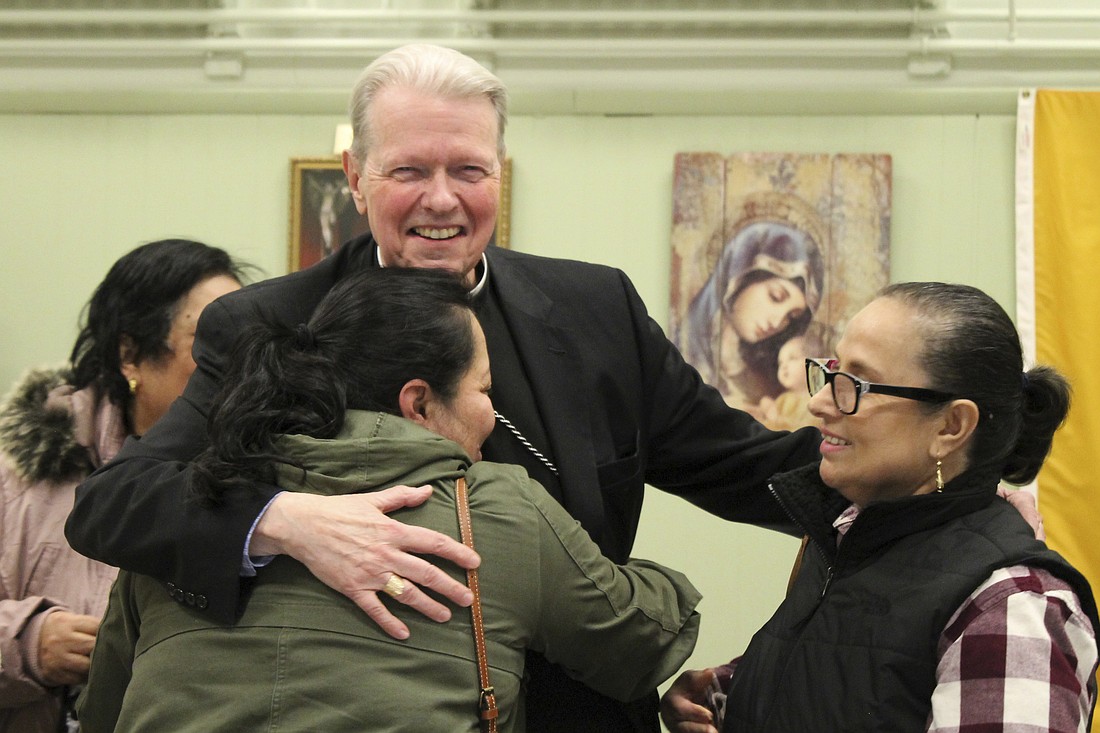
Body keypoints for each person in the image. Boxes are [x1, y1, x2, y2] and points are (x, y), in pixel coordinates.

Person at [76, 266, 701, 732]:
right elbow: (642, 642)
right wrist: (657, 579)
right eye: (485, 390)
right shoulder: (496, 513)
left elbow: (103, 712)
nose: (495, 415)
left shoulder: (188, 513)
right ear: (419, 402)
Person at [660, 281, 1099, 733]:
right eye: (829, 373)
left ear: (951, 426)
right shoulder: (846, 536)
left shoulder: (1011, 606)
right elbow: (854, 680)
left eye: (855, 385)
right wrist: (723, 695)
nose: (819, 402)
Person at [0, 239, 244, 733]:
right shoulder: (21, 473)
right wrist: (26, 642)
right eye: (209, 342)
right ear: (131, 355)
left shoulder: (266, 481)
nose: (236, 367)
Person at [677, 220, 825, 407]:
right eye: (776, 296)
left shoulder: (765, 379)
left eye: (790, 316)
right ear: (739, 278)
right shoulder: (681, 347)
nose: (778, 321)